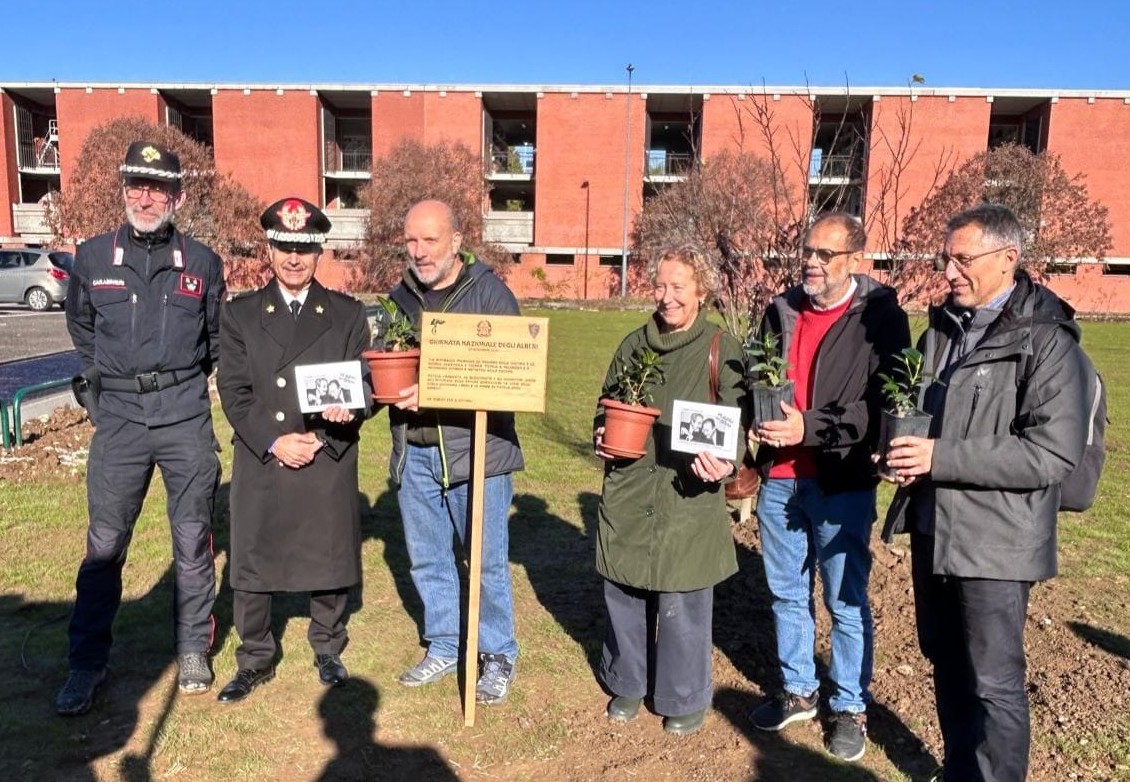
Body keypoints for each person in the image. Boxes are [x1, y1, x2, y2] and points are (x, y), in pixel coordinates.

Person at [882, 204, 1089, 782]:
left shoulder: (1046, 342)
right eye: (946, 258)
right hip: (934, 531)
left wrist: (940, 457)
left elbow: (1051, 451)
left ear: (1008, 260)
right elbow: (922, 418)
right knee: (947, 666)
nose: (949, 271)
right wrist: (896, 453)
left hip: (996, 544)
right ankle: (958, 771)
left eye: (962, 259)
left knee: (993, 680)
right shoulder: (940, 331)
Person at [57, 141, 225, 715]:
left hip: (183, 414)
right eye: (136, 185)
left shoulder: (202, 263)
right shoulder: (93, 256)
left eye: (157, 187)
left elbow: (214, 339)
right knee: (104, 544)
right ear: (124, 189)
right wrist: (105, 388)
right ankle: (86, 663)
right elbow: (82, 328)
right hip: (121, 420)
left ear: (177, 195)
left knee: (192, 538)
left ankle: (193, 649)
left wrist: (179, 385)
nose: (145, 197)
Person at [747, 212, 910, 761]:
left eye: (825, 255)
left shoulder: (881, 318)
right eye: (807, 252)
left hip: (842, 482)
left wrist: (807, 428)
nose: (811, 263)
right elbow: (757, 379)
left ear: (854, 261)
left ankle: (848, 705)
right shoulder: (780, 310)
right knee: (787, 593)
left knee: (845, 601)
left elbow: (883, 408)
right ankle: (799, 689)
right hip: (780, 479)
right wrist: (754, 416)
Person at [215, 197, 371, 702]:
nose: (294, 258)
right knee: (253, 561)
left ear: (319, 250)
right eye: (284, 246)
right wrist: (276, 440)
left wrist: (339, 424)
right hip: (266, 454)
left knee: (327, 554)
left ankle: (328, 645)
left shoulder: (347, 315)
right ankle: (256, 656)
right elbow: (235, 390)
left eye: (304, 248)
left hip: (325, 454)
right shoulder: (239, 315)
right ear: (270, 247)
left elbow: (364, 382)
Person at [593, 246, 745, 736]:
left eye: (679, 286)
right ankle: (627, 680)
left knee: (683, 598)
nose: (667, 297)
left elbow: (738, 422)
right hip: (632, 486)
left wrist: (726, 459)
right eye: (660, 285)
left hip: (689, 492)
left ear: (701, 290)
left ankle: (683, 694)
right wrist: (602, 433)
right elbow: (607, 405)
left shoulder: (721, 347)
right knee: (625, 589)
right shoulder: (632, 345)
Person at [379, 199, 523, 706]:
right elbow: (382, 362)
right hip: (414, 452)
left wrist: (437, 389)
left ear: (456, 241)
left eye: (430, 240)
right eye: (412, 240)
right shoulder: (400, 299)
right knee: (427, 558)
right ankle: (445, 643)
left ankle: (497, 652)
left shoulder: (489, 295)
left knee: (484, 561)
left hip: (476, 454)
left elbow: (514, 380)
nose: (419, 252)